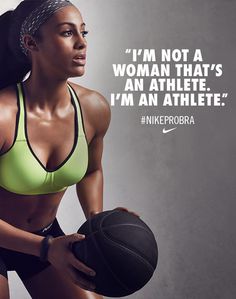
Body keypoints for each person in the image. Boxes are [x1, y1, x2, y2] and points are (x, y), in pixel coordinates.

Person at [0, 1, 136, 298]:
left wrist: (97, 224)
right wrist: (46, 250)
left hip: (45, 236)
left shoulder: (93, 108)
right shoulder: (3, 115)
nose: (82, 43)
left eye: (84, 32)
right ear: (31, 42)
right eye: (66, 33)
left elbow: (91, 170)